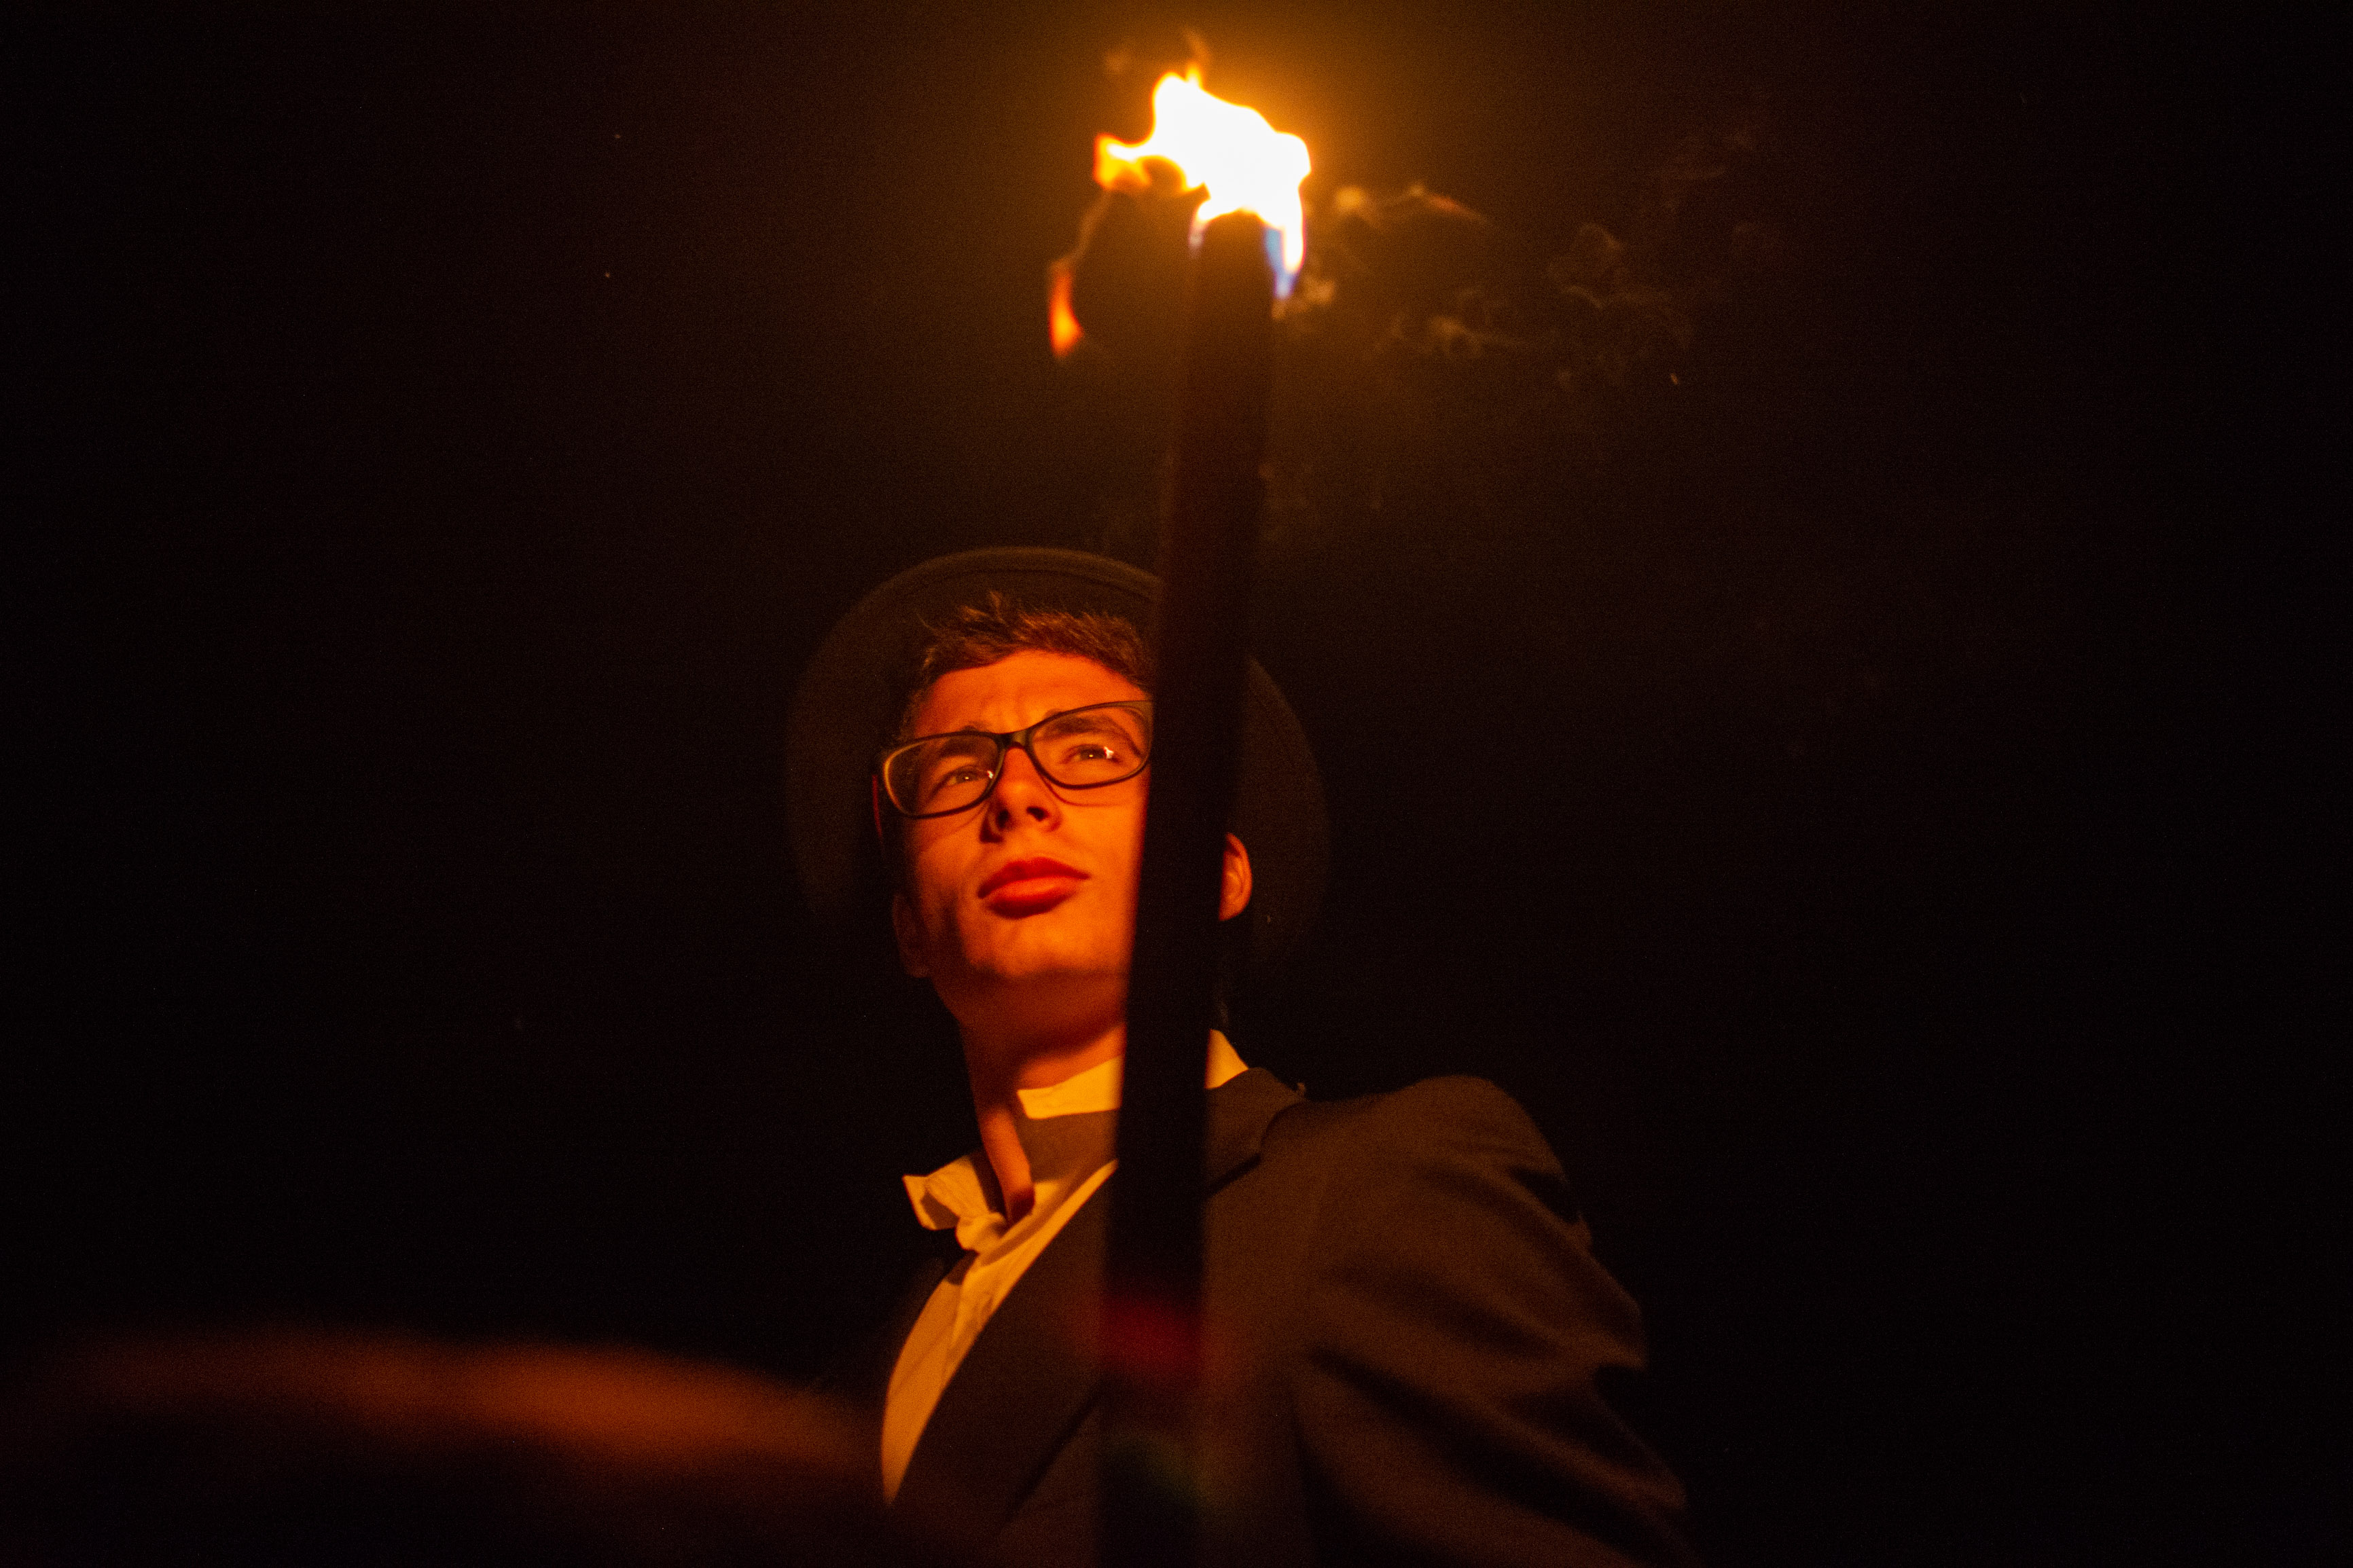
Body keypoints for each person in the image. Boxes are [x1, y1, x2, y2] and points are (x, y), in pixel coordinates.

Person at [787, 548, 1698, 1567]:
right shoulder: (851, 1387)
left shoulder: (1381, 1186)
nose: (1018, 797)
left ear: (1217, 874)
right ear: (911, 928)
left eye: (1091, 751)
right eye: (960, 771)